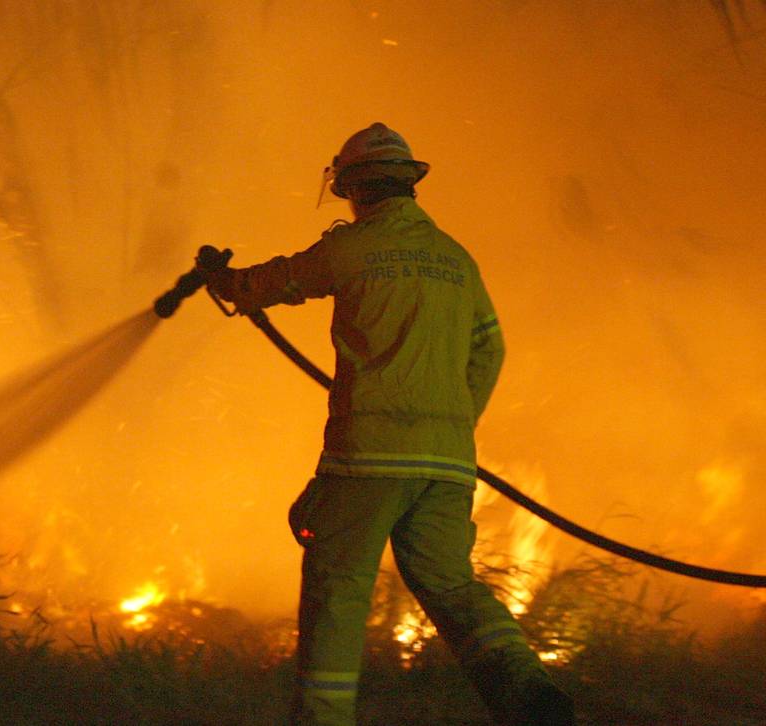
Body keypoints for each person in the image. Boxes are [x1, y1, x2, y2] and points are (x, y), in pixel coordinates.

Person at [200, 123, 574, 726]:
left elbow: (274, 282)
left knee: (337, 587)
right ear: (409, 185)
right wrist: (453, 423)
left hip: (368, 456)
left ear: (351, 187)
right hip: (448, 462)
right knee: (450, 582)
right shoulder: (456, 259)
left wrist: (225, 280)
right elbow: (491, 349)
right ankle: (525, 691)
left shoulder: (354, 248)